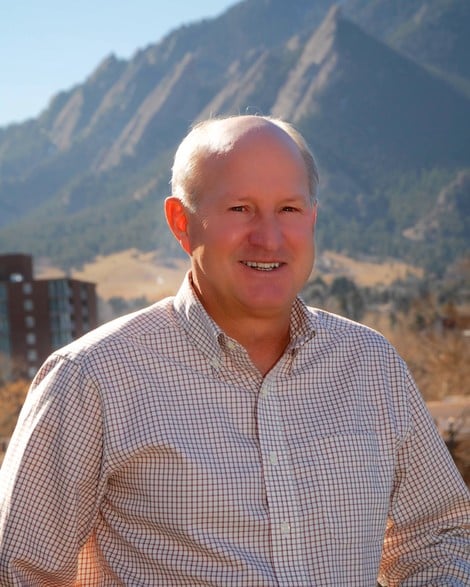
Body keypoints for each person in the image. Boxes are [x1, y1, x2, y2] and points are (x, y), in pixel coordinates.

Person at [0, 115, 469, 586]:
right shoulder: (91, 379)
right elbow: (17, 573)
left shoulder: (371, 365)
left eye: (288, 209)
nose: (269, 237)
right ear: (181, 222)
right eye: (240, 208)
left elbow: (437, 535)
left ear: (312, 218)